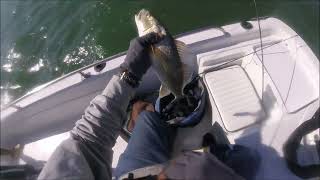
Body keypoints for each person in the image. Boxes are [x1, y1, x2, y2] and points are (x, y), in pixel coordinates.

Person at [38, 33, 260, 180]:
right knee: (247, 160)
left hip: (133, 175)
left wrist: (129, 74)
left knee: (148, 118)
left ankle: (142, 118)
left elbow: (87, 142)